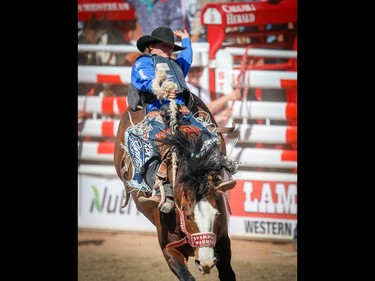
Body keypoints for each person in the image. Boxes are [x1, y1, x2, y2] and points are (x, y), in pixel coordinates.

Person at [126, 26, 237, 213]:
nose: (168, 50)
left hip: (183, 114)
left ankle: (214, 179)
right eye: (164, 46)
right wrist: (160, 86)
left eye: (171, 47)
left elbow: (186, 58)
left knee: (208, 137)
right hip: (158, 113)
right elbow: (145, 79)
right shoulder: (144, 62)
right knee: (153, 142)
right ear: (152, 46)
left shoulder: (177, 66)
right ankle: (159, 188)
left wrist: (186, 40)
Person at [186, 52, 242, 126]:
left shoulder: (204, 92)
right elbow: (202, 110)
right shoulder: (185, 89)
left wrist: (219, 117)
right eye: (191, 70)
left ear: (201, 72)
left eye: (197, 70)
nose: (195, 73)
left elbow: (203, 113)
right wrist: (228, 97)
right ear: (187, 72)